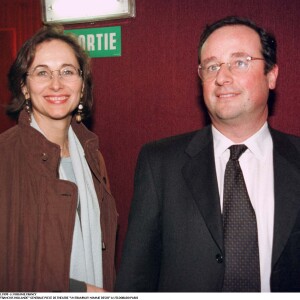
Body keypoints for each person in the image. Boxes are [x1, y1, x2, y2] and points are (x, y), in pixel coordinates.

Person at [115, 16, 300, 292]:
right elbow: (135, 280)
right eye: (212, 66)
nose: (222, 78)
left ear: (271, 75)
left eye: (240, 62)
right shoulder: (160, 164)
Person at [0, 26, 118, 292]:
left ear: (82, 85)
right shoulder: (5, 157)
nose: (56, 84)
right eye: (42, 72)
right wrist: (80, 291)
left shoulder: (92, 156)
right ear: (25, 87)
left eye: (67, 71)